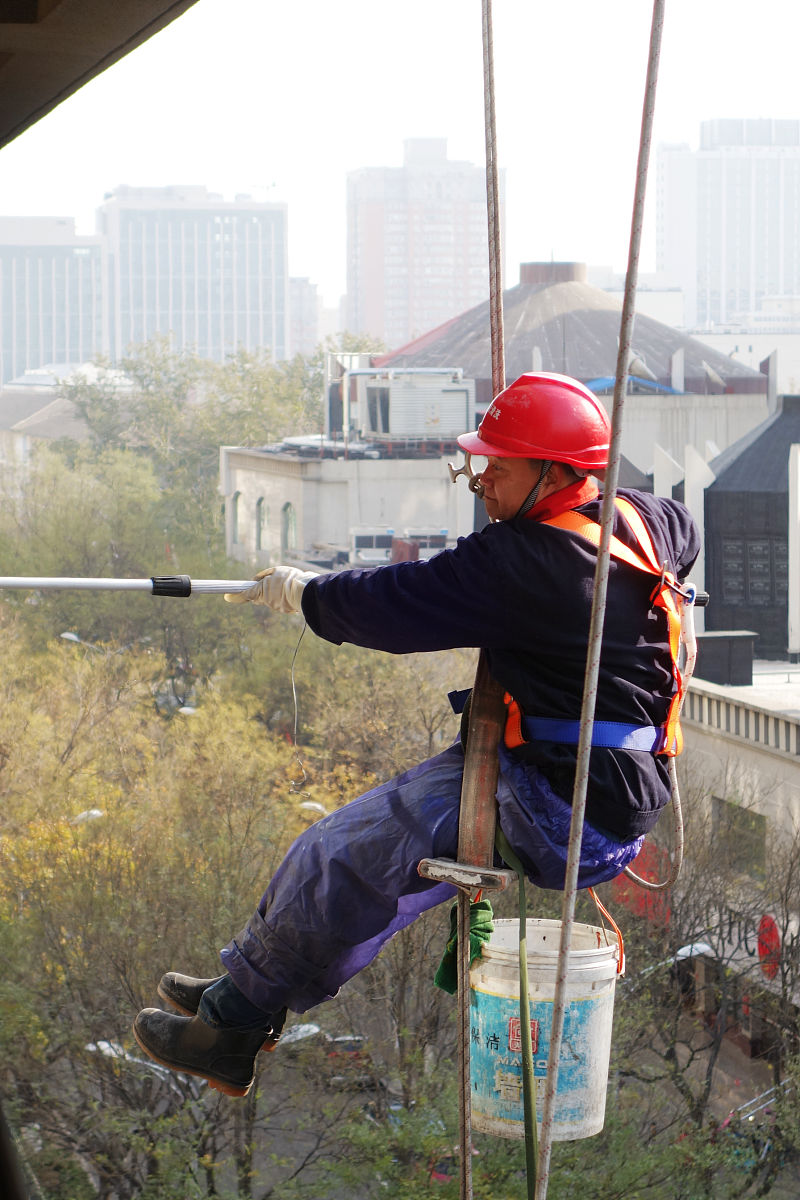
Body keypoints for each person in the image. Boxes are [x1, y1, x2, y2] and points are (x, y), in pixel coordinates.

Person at [133, 371, 700, 1097]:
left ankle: (233, 1026)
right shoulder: (647, 520)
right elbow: (689, 534)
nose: (484, 478)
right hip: (606, 789)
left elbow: (394, 606)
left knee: (342, 851)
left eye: (502, 463)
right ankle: (247, 976)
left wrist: (308, 593)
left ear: (556, 473)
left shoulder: (523, 563)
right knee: (347, 853)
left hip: (563, 807)